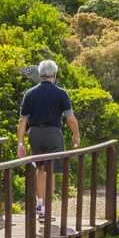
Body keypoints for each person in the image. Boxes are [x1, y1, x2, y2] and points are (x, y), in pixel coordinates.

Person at [17, 60, 82, 219]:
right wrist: (76, 135)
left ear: (39, 75)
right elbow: (71, 119)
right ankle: (46, 211)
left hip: (35, 134)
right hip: (53, 134)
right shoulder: (61, 93)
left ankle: (40, 202)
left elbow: (22, 120)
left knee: (40, 168)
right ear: (54, 75)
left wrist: (20, 143)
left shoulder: (30, 93)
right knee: (51, 171)